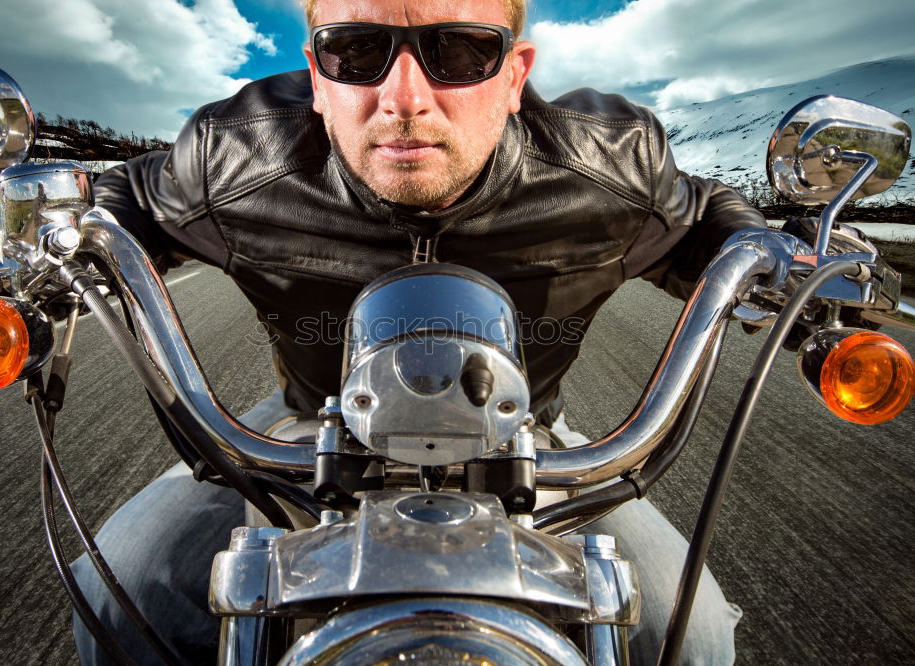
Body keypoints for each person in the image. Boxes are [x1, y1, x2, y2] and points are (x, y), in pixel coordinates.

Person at [73, 0, 764, 663]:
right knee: (118, 591)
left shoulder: (611, 166)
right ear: (317, 76)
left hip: (529, 442)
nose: (405, 97)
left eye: (460, 51)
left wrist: (776, 258)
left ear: (515, 75)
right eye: (357, 51)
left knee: (689, 635)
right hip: (301, 435)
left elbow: (706, 217)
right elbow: (129, 199)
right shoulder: (232, 158)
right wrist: (63, 244)